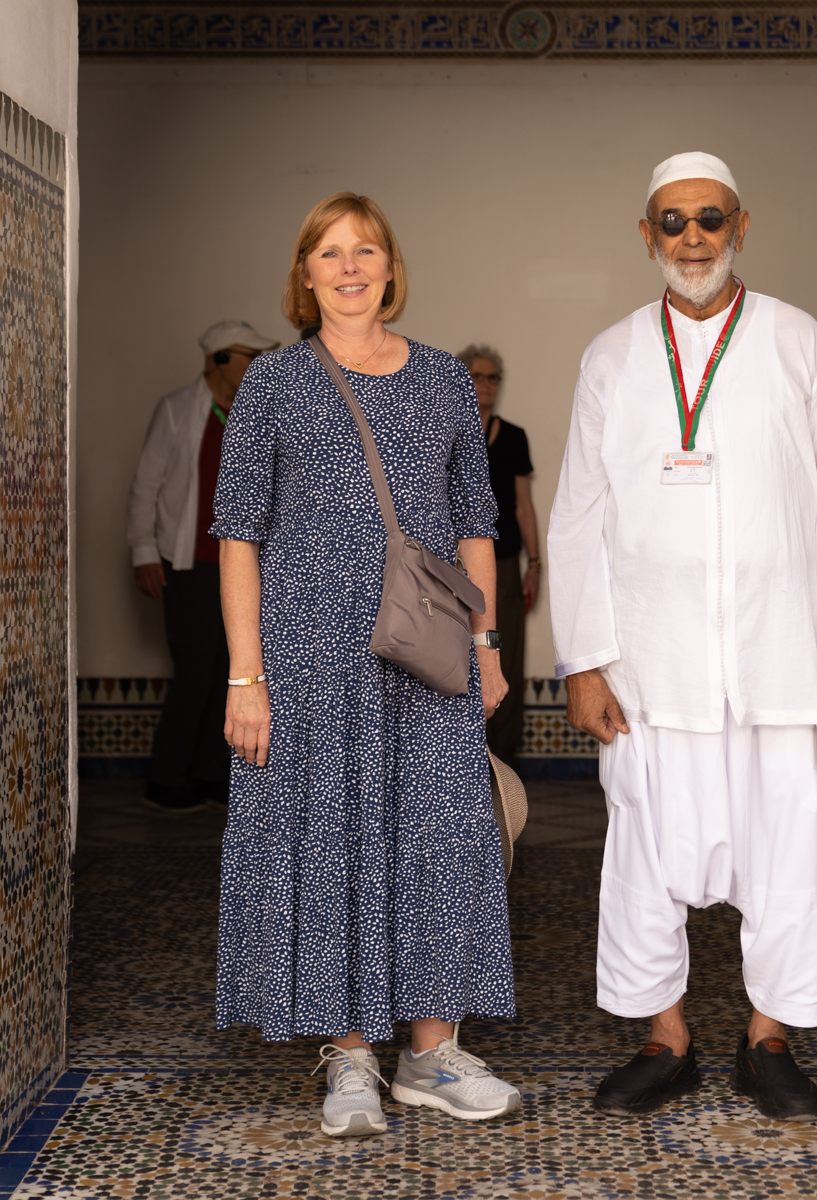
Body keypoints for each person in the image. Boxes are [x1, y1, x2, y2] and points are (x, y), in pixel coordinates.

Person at [547, 152, 817, 1122]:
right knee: (645, 850)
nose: (693, 237)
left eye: (710, 219)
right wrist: (584, 660)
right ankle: (667, 1038)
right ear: (646, 237)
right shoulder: (610, 355)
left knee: (783, 852)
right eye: (673, 221)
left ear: (742, 226)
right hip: (650, 665)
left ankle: (769, 1039)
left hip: (774, 655)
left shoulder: (795, 341)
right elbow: (576, 517)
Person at [211, 192, 520, 1138]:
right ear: (304, 275)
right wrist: (244, 675)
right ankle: (349, 1058)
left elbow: (477, 525)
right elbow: (237, 536)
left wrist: (486, 646)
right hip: (306, 660)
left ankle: (428, 1055)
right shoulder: (273, 384)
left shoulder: (439, 381)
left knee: (438, 842)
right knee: (331, 842)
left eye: (366, 251)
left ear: (391, 268)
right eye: (330, 254)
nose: (350, 268)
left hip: (426, 659)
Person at [127, 319, 282, 812]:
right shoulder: (177, 410)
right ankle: (167, 776)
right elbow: (145, 487)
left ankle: (214, 773)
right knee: (195, 670)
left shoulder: (259, 413)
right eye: (248, 356)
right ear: (219, 359)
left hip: (246, 566)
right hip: (189, 563)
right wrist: (144, 552)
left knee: (234, 670)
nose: (257, 365)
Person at [457, 344, 540, 765]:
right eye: (476, 376)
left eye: (492, 378)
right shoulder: (444, 430)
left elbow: (523, 505)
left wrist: (535, 562)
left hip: (505, 566)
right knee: (454, 659)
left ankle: (502, 764)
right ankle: (462, 760)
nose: (485, 385)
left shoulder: (514, 436)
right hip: (450, 569)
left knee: (501, 655)